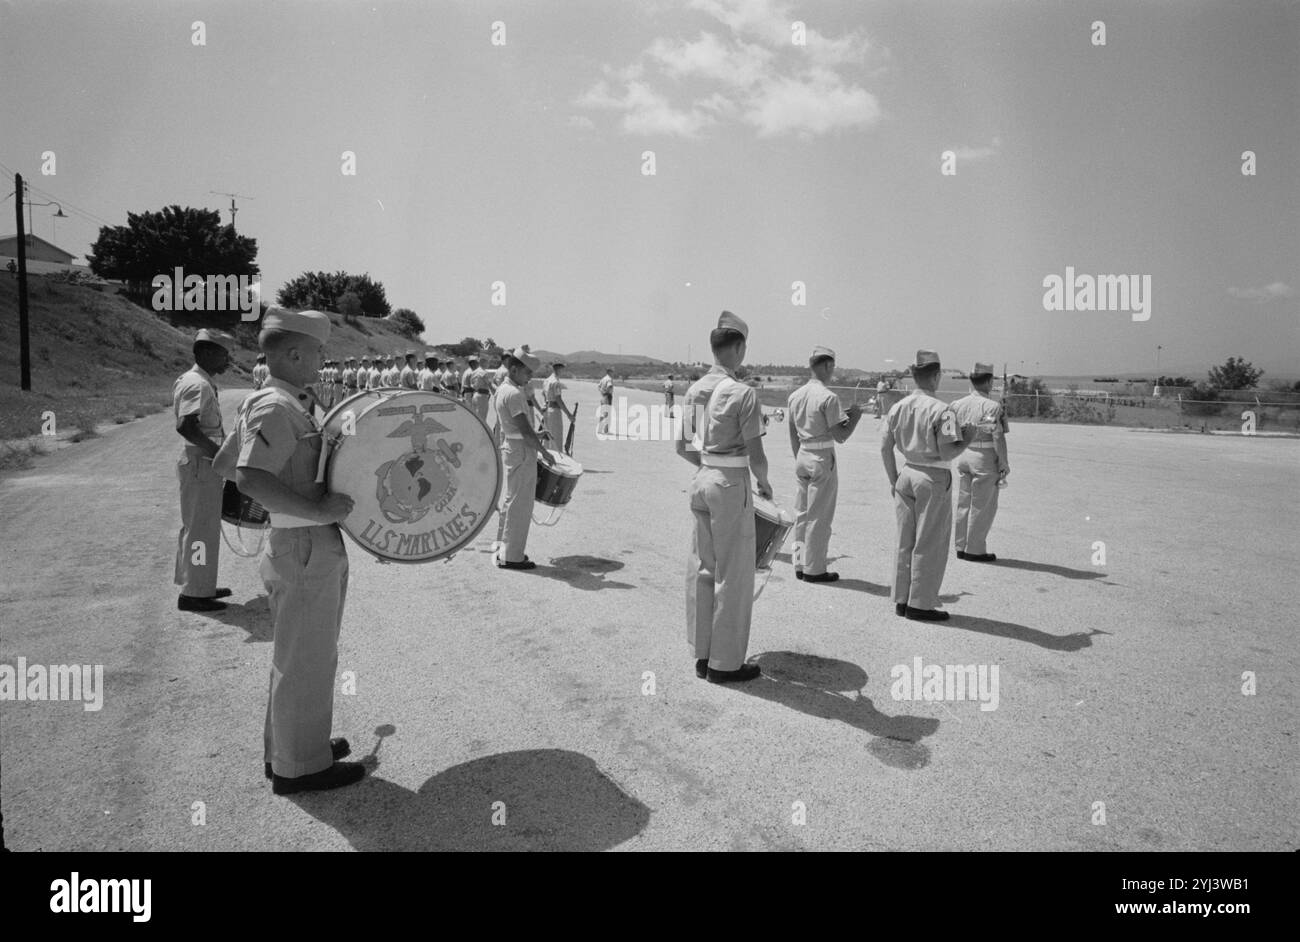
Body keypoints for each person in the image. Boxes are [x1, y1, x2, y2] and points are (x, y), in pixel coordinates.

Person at [233, 308, 364, 795]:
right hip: (304, 544)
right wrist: (316, 510)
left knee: (300, 654)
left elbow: (230, 462)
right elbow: (248, 477)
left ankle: (293, 749)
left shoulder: (274, 401)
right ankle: (302, 769)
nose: (322, 360)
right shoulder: (276, 407)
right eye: (317, 353)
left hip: (304, 541)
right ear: (292, 354)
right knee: (307, 657)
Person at [677, 311, 770, 684]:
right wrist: (764, 483)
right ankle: (726, 663)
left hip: (703, 479)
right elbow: (757, 455)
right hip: (731, 483)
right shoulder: (744, 393)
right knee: (734, 574)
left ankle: (702, 654)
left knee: (703, 567)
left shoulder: (696, 390)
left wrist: (709, 465)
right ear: (738, 347)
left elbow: (682, 446)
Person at [880, 350, 978, 621]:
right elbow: (948, 452)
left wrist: (893, 479)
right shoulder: (943, 411)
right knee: (929, 541)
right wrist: (967, 437)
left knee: (905, 540)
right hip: (932, 476)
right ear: (936, 376)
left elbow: (885, 447)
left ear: (914, 376)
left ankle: (902, 598)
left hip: (906, 473)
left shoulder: (897, 407)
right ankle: (920, 603)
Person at [786, 345, 863, 583]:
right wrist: (856, 418)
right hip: (821, 456)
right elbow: (840, 435)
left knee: (802, 514)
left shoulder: (795, 395)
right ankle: (815, 568)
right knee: (819, 517)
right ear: (828, 365)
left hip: (803, 454)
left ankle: (799, 563)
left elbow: (792, 433)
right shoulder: (828, 397)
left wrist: (800, 457)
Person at [173, 329, 234, 613]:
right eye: (224, 354)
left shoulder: (201, 381)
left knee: (203, 529)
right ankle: (194, 593)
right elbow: (186, 426)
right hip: (201, 463)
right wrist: (219, 454)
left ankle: (200, 585)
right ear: (207, 352)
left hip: (202, 464)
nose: (229, 361)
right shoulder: (196, 383)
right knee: (200, 530)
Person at [492, 348, 556, 570]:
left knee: (512, 501)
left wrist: (534, 436)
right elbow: (525, 432)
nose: (530, 377)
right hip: (521, 452)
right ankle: (512, 556)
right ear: (514, 369)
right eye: (527, 372)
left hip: (514, 448)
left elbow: (515, 428)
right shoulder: (515, 394)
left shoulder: (504, 390)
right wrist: (545, 452)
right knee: (520, 505)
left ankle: (505, 550)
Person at [952, 362, 1010, 562]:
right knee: (982, 506)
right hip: (983, 457)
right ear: (989, 381)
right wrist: (1003, 462)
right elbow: (996, 436)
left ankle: (961, 544)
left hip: (964, 453)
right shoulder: (991, 406)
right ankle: (975, 549)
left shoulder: (957, 404)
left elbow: (952, 433)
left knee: (964, 503)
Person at [542, 362, 575, 449]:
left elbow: (543, 394)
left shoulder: (547, 380)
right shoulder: (556, 382)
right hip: (554, 411)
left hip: (547, 410)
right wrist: (569, 415)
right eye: (562, 369)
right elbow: (558, 399)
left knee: (547, 439)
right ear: (559, 369)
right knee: (556, 438)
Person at [469, 357, 492, 422]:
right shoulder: (484, 372)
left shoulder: (474, 372)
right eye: (488, 362)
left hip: (475, 395)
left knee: (475, 418)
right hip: (482, 396)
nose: (488, 364)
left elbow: (471, 384)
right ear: (484, 362)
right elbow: (489, 384)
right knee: (482, 419)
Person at [597, 368, 615, 435]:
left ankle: (599, 429)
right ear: (609, 372)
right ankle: (606, 430)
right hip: (607, 396)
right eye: (612, 372)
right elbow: (609, 386)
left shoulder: (603, 378)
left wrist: (602, 392)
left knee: (603, 413)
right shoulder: (609, 379)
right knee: (607, 414)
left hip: (602, 397)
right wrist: (607, 392)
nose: (613, 373)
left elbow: (598, 386)